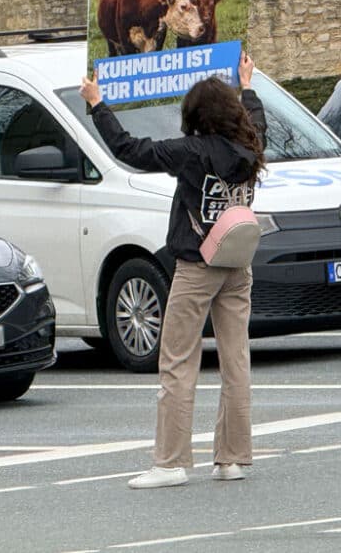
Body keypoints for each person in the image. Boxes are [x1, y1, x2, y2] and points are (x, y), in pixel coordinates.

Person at [79, 54, 267, 487]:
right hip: (237, 263)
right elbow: (256, 117)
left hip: (197, 264)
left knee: (178, 360)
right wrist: (247, 85)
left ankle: (171, 462)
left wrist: (97, 105)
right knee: (235, 360)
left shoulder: (191, 152)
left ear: (197, 116)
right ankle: (233, 458)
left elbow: (130, 149)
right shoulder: (252, 146)